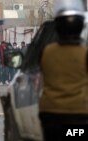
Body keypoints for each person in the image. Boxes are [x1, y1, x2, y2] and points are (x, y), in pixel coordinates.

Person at [39, 0, 88, 140]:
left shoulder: (46, 51)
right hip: (79, 114)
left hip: (49, 114)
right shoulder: (84, 53)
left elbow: (41, 73)